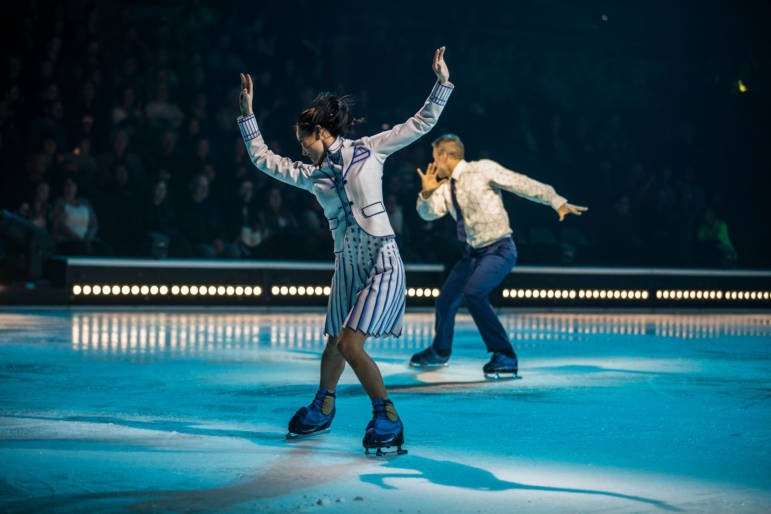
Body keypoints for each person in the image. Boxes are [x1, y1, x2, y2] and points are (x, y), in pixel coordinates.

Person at [237, 47, 453, 454]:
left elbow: (420, 123)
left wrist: (442, 84)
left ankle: (387, 416)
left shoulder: (369, 150)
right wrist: (248, 116)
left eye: (303, 140)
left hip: (382, 261)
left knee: (351, 344)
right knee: (334, 341)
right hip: (347, 266)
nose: (301, 148)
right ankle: (323, 406)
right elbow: (263, 160)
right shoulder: (311, 176)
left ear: (320, 132)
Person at [410, 134, 587, 378]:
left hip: (499, 248)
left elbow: (521, 183)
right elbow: (428, 214)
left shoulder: (482, 169)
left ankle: (505, 355)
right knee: (445, 300)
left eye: (434, 157)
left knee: (474, 293)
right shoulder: (445, 188)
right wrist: (427, 194)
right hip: (472, 254)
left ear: (444, 155)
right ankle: (440, 351)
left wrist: (555, 200)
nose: (433, 164)